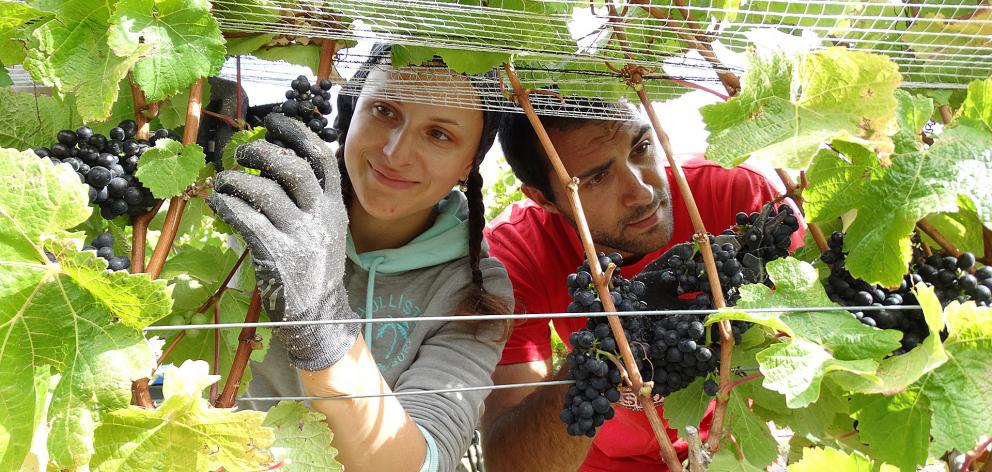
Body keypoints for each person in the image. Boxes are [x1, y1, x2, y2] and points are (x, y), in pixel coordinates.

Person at [208, 44, 512, 472]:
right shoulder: (266, 207)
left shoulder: (476, 286)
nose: (396, 152)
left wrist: (324, 328)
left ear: (469, 163)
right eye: (384, 110)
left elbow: (428, 462)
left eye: (439, 134)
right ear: (351, 113)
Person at [481, 98, 804, 471]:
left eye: (641, 148)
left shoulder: (739, 197)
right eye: (596, 177)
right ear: (543, 198)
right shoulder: (517, 254)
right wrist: (603, 347)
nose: (643, 192)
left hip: (728, 443)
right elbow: (510, 464)